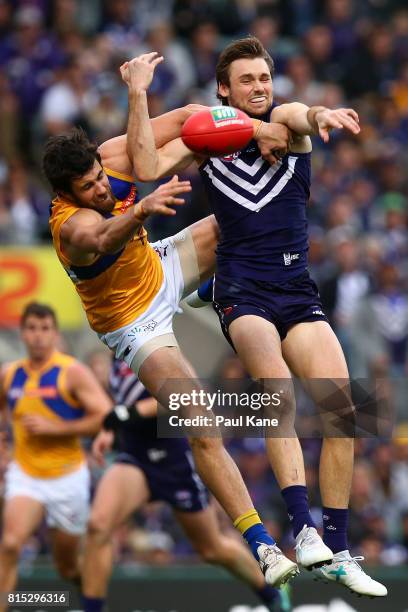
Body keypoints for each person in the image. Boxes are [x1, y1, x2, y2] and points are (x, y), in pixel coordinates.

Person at [121, 41, 387, 597]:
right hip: (245, 290)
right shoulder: (206, 137)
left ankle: (336, 549)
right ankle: (301, 530)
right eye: (246, 80)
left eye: (264, 77)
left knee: (348, 409)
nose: (259, 87)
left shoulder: (288, 126)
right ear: (224, 89)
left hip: (296, 289)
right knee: (277, 391)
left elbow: (300, 113)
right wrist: (139, 93)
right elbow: (144, 166)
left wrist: (320, 115)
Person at [42, 55, 299, 592]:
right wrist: (141, 206)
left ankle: (218, 286)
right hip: (133, 323)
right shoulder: (71, 225)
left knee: (248, 215)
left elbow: (187, 118)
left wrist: (259, 128)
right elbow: (103, 238)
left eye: (97, 177)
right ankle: (262, 547)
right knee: (201, 422)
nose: (100, 189)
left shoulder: (109, 157)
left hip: (159, 263)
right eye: (87, 188)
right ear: (67, 193)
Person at [81, 357, 291, 612]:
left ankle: (272, 592)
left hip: (174, 461)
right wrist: (110, 429)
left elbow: (188, 398)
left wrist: (128, 414)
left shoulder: (155, 347)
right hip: (135, 457)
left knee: (211, 548)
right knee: (98, 526)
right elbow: (123, 404)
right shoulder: (116, 353)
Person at [0, 302, 111, 612]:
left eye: (45, 329)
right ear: (22, 333)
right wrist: (3, 446)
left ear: (54, 333)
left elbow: (104, 415)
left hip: (67, 477)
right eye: (32, 329)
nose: (38, 336)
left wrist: (57, 427)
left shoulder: (71, 372)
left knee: (67, 567)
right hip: (26, 474)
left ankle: (88, 594)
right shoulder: (9, 375)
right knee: (9, 544)